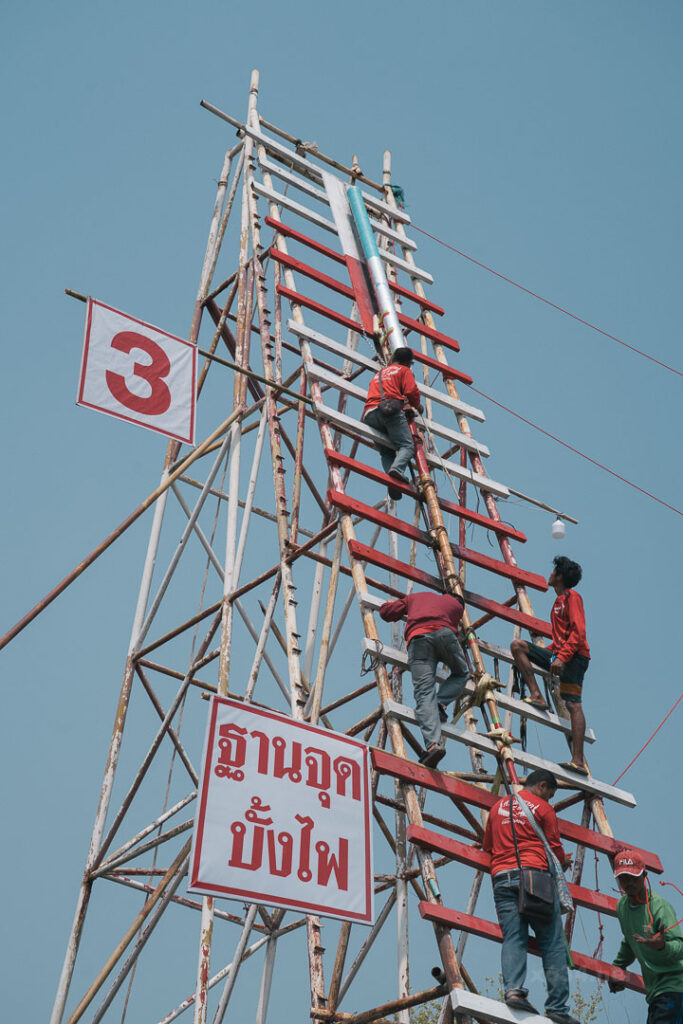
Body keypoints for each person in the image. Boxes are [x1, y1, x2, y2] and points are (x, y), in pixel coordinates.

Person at [482, 769, 578, 1024]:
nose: (550, 800)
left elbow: (488, 847)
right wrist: (563, 862)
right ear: (542, 786)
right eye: (550, 794)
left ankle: (514, 991)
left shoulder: (496, 808)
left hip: (501, 877)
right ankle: (558, 1008)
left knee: (514, 936)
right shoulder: (543, 809)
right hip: (533, 875)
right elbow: (555, 849)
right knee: (553, 942)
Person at [510, 556, 590, 776]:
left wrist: (561, 657)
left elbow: (578, 633)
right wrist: (553, 652)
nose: (551, 574)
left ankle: (578, 761)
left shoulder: (573, 598)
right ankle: (537, 696)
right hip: (562, 654)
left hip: (575, 658)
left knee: (573, 704)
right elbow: (564, 636)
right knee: (518, 646)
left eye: (554, 570)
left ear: (560, 575)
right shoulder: (559, 602)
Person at [378, 590, 469, 767]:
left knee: (424, 692)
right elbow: (455, 631)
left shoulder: (417, 596)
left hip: (418, 639)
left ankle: (434, 744)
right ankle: (440, 704)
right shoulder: (457, 606)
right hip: (445, 635)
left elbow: (386, 613)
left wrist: (387, 604)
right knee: (462, 673)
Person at [608, 850, 683, 1023]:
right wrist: (618, 968)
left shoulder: (659, 907)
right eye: (623, 877)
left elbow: (680, 948)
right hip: (656, 992)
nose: (629, 883)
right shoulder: (622, 906)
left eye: (633, 877)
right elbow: (629, 940)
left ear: (644, 875)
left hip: (675, 987)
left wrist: (662, 946)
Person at [362, 348, 422, 499]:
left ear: (393, 357)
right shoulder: (404, 370)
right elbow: (411, 392)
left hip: (370, 414)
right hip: (390, 412)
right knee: (408, 446)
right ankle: (396, 469)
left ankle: (392, 479)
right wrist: (417, 406)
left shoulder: (379, 374)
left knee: (386, 451)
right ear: (409, 362)